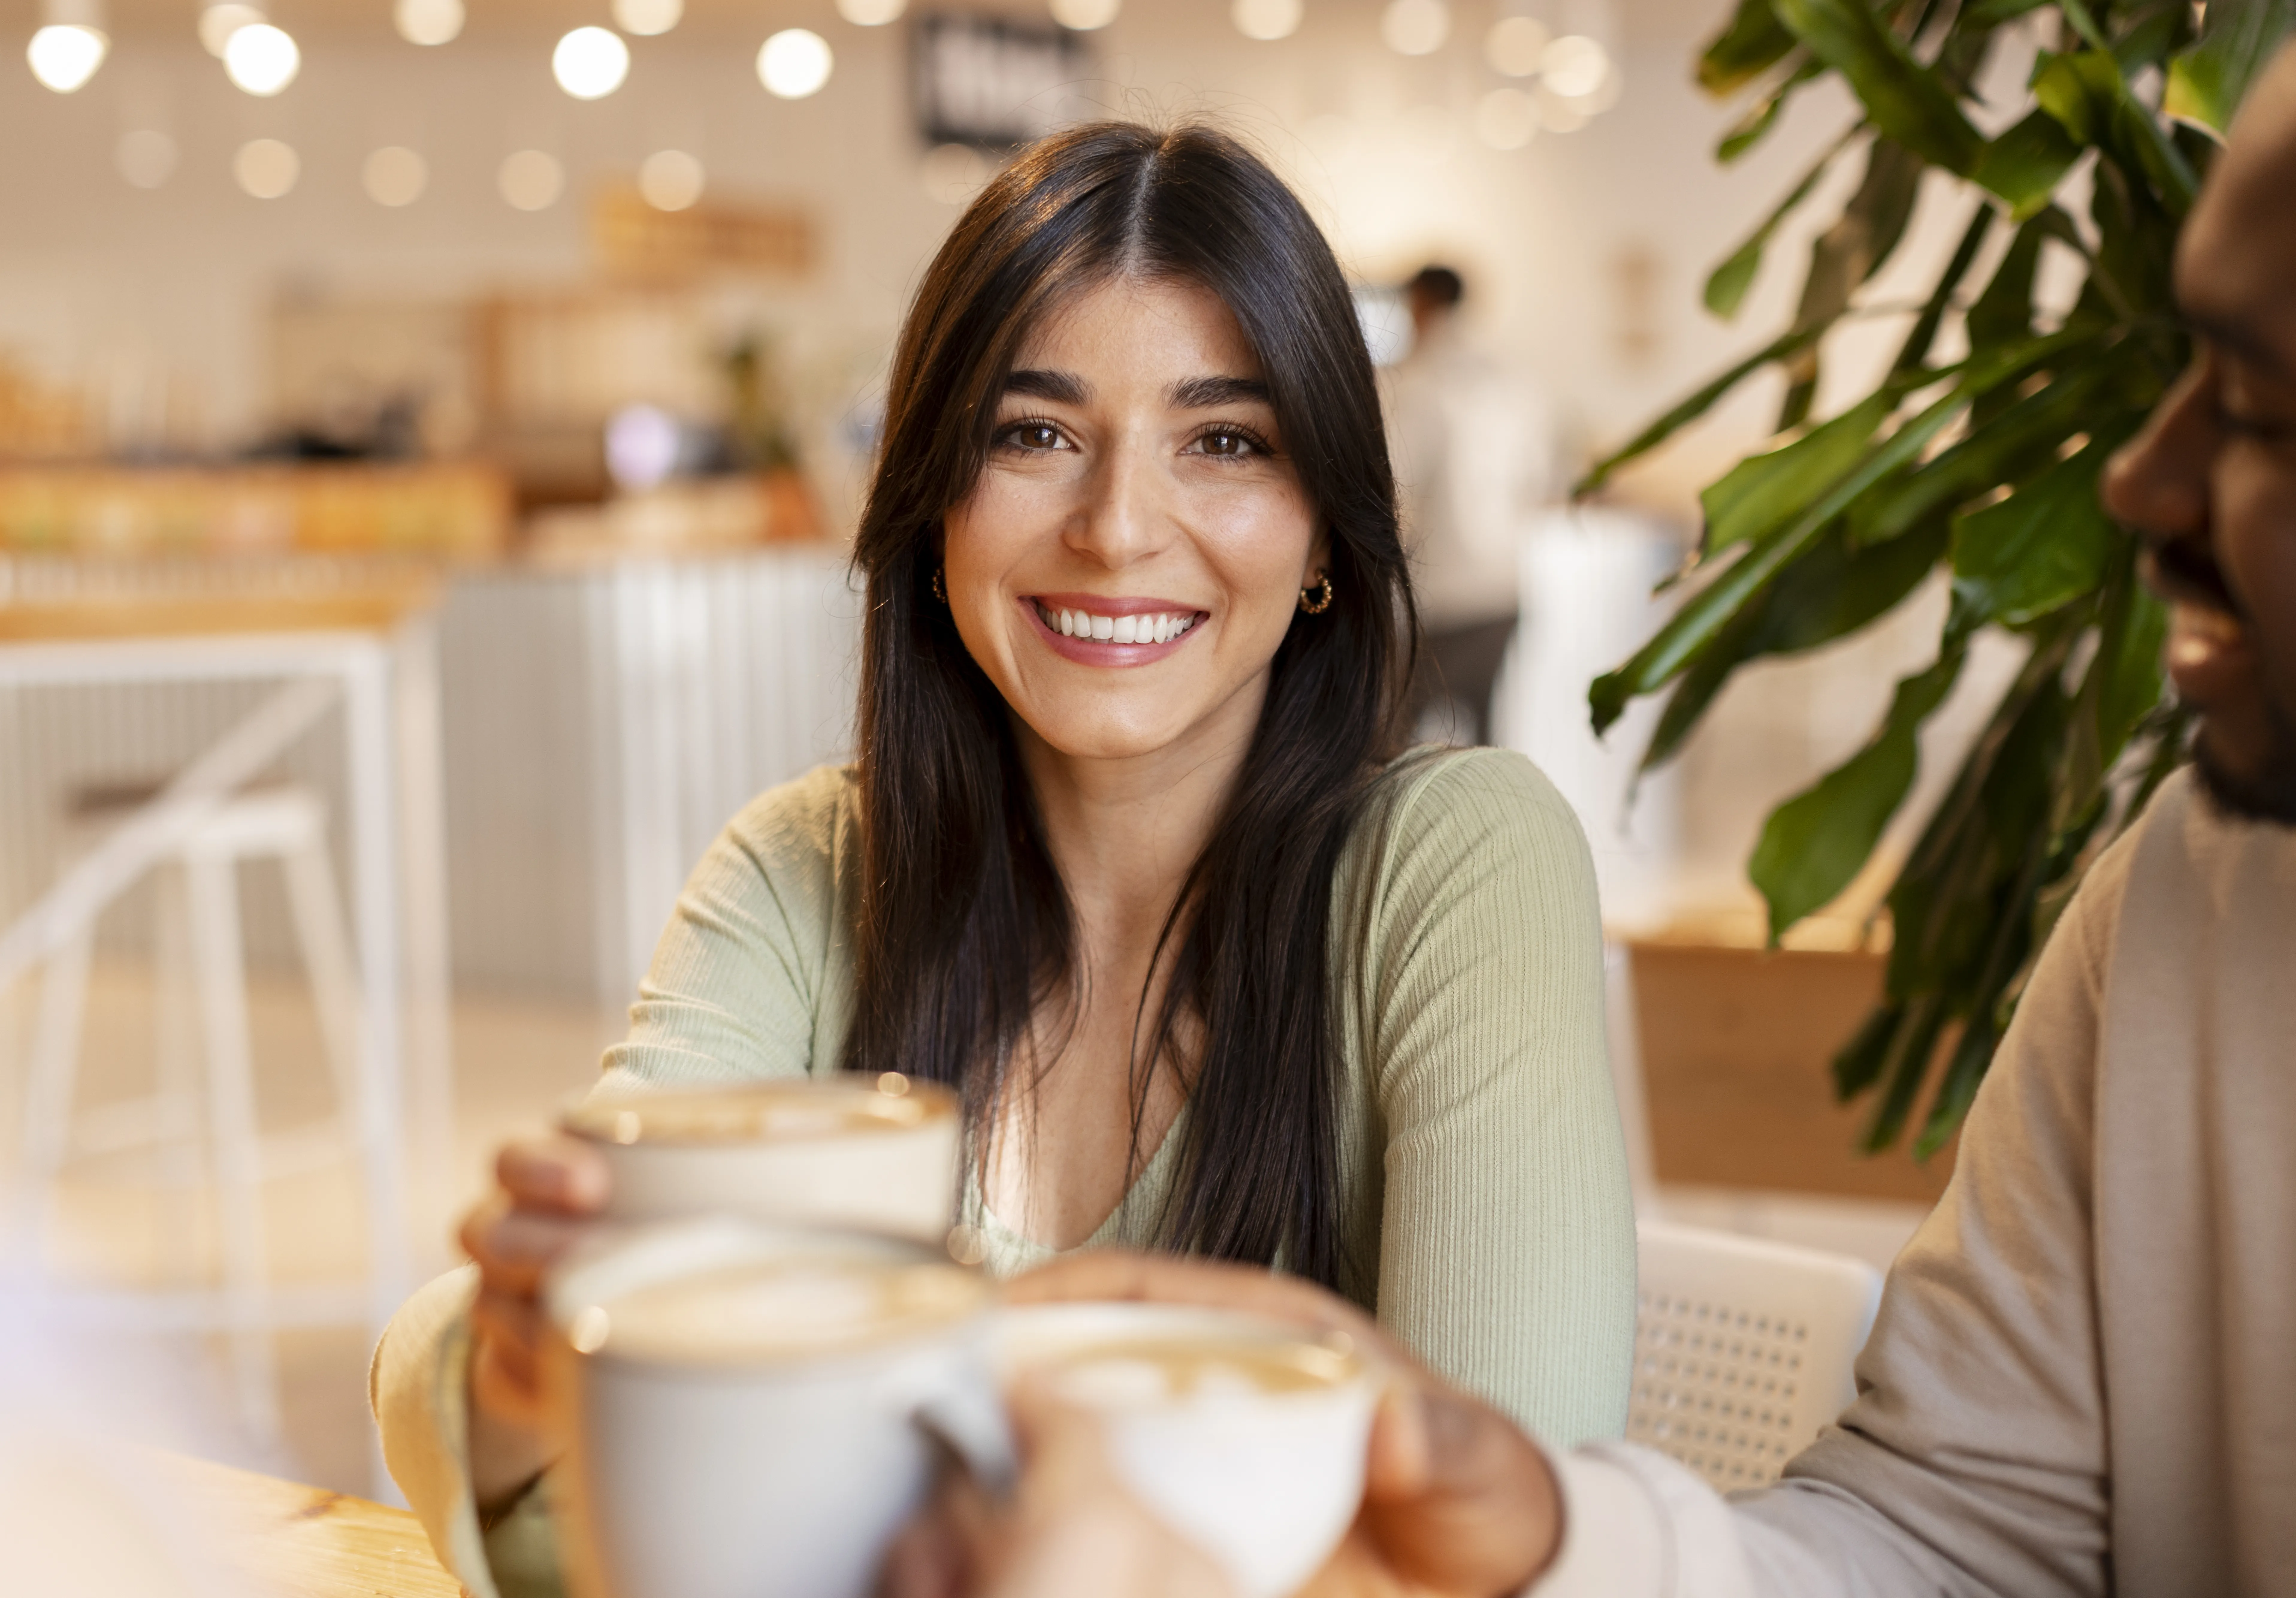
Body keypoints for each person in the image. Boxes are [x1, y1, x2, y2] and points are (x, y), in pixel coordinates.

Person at [904, 43, 2296, 1598]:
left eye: (2261, 406)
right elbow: (1966, 1530)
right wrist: (1568, 1545)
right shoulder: (2187, 902)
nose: (2139, 482)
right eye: (1033, 433)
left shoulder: (1452, 853)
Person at [371, 121, 1635, 1598]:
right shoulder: (806, 871)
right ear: (933, 509)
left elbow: (1503, 1534)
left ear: (1322, 541)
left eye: (1224, 440)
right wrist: (529, 1354)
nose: (1114, 527)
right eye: (1032, 434)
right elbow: (471, 1401)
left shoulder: (1453, 867)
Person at [1383, 264, 1563, 745]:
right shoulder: (1517, 382)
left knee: (1398, 741)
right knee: (1488, 735)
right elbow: (1540, 479)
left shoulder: (1416, 383)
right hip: (1503, 589)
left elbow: (1394, 488)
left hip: (1442, 595)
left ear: (1421, 303)